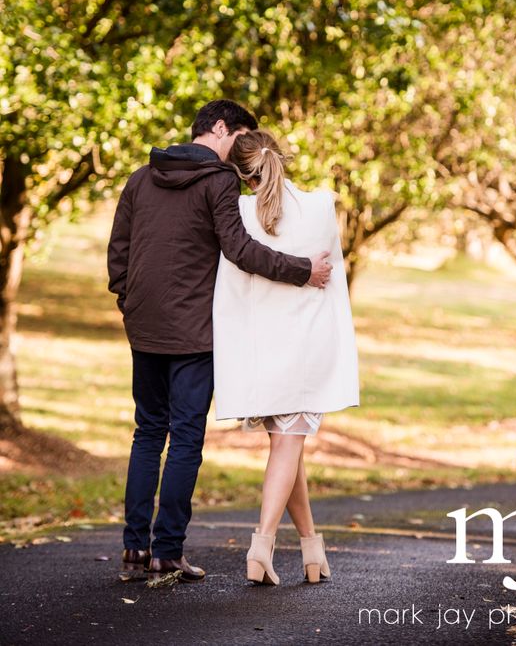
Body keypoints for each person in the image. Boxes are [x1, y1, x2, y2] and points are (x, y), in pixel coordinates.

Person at [107, 99, 333, 585]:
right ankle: (166, 553)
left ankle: (132, 551)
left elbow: (118, 254)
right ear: (218, 127)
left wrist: (129, 303)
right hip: (193, 333)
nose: (241, 151)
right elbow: (240, 250)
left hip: (144, 327)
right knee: (185, 437)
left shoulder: (140, 178)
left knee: (147, 433)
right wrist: (303, 270)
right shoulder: (217, 183)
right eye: (240, 136)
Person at [212, 129, 360, 586]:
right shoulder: (319, 206)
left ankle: (312, 550)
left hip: (260, 353)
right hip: (304, 348)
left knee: (286, 449)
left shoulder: (237, 213)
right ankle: (262, 546)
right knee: (288, 448)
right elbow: (333, 281)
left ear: (239, 173)